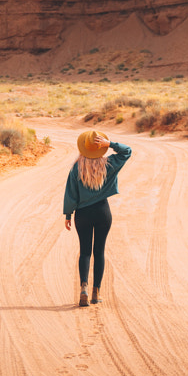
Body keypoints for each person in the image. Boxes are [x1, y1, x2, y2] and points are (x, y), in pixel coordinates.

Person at [63, 129, 132, 307]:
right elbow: (127, 151)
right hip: (102, 212)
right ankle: (96, 292)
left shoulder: (77, 167)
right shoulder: (109, 164)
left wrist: (68, 214)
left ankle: (83, 288)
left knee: (85, 252)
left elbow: (71, 193)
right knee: (99, 252)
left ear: (83, 147)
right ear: (100, 147)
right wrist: (110, 144)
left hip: (83, 214)